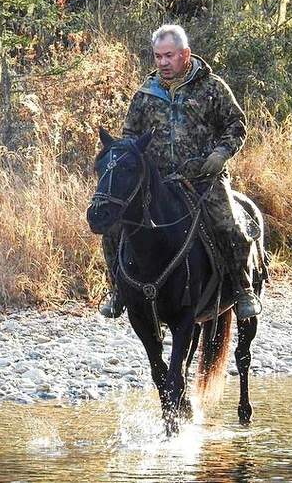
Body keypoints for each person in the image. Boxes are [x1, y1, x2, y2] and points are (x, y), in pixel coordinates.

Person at [100, 23, 262, 321]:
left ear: (185, 54)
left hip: (204, 179)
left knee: (229, 225)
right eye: (158, 56)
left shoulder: (212, 87)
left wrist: (221, 154)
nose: (163, 62)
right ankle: (117, 291)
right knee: (113, 225)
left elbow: (237, 125)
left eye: (169, 56)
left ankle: (242, 289)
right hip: (157, 183)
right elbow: (130, 138)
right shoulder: (144, 95)